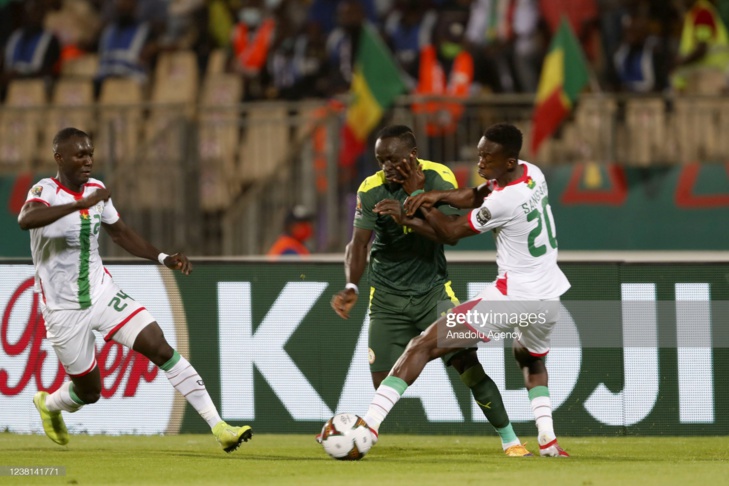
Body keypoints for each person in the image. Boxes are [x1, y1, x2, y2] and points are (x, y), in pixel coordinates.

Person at [18, 127, 252, 453]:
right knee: (89, 392)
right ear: (59, 158)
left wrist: (162, 257)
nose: (88, 161)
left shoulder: (98, 190)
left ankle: (220, 427)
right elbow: (26, 220)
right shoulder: (45, 189)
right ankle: (50, 404)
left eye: (90, 154)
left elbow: (120, 233)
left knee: (160, 347)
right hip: (62, 309)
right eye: (79, 155)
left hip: (101, 293)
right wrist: (81, 204)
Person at [362, 122, 571, 457]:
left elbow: (450, 232)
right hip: (549, 299)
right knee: (529, 358)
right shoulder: (532, 173)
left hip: (512, 298)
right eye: (479, 154)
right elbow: (475, 194)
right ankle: (547, 439)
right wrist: (438, 195)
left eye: (487, 157)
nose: (480, 162)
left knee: (422, 345)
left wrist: (416, 198)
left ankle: (367, 426)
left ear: (508, 161)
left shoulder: (505, 201)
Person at [328, 125, 532, 457]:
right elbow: (359, 244)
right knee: (383, 382)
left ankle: (510, 440)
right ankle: (365, 435)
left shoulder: (439, 178)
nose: (386, 169)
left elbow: (446, 233)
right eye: (381, 161)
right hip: (387, 297)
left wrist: (411, 204)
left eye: (392, 161)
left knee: (468, 366)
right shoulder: (371, 189)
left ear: (412, 156)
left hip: (432, 292)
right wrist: (351, 285)